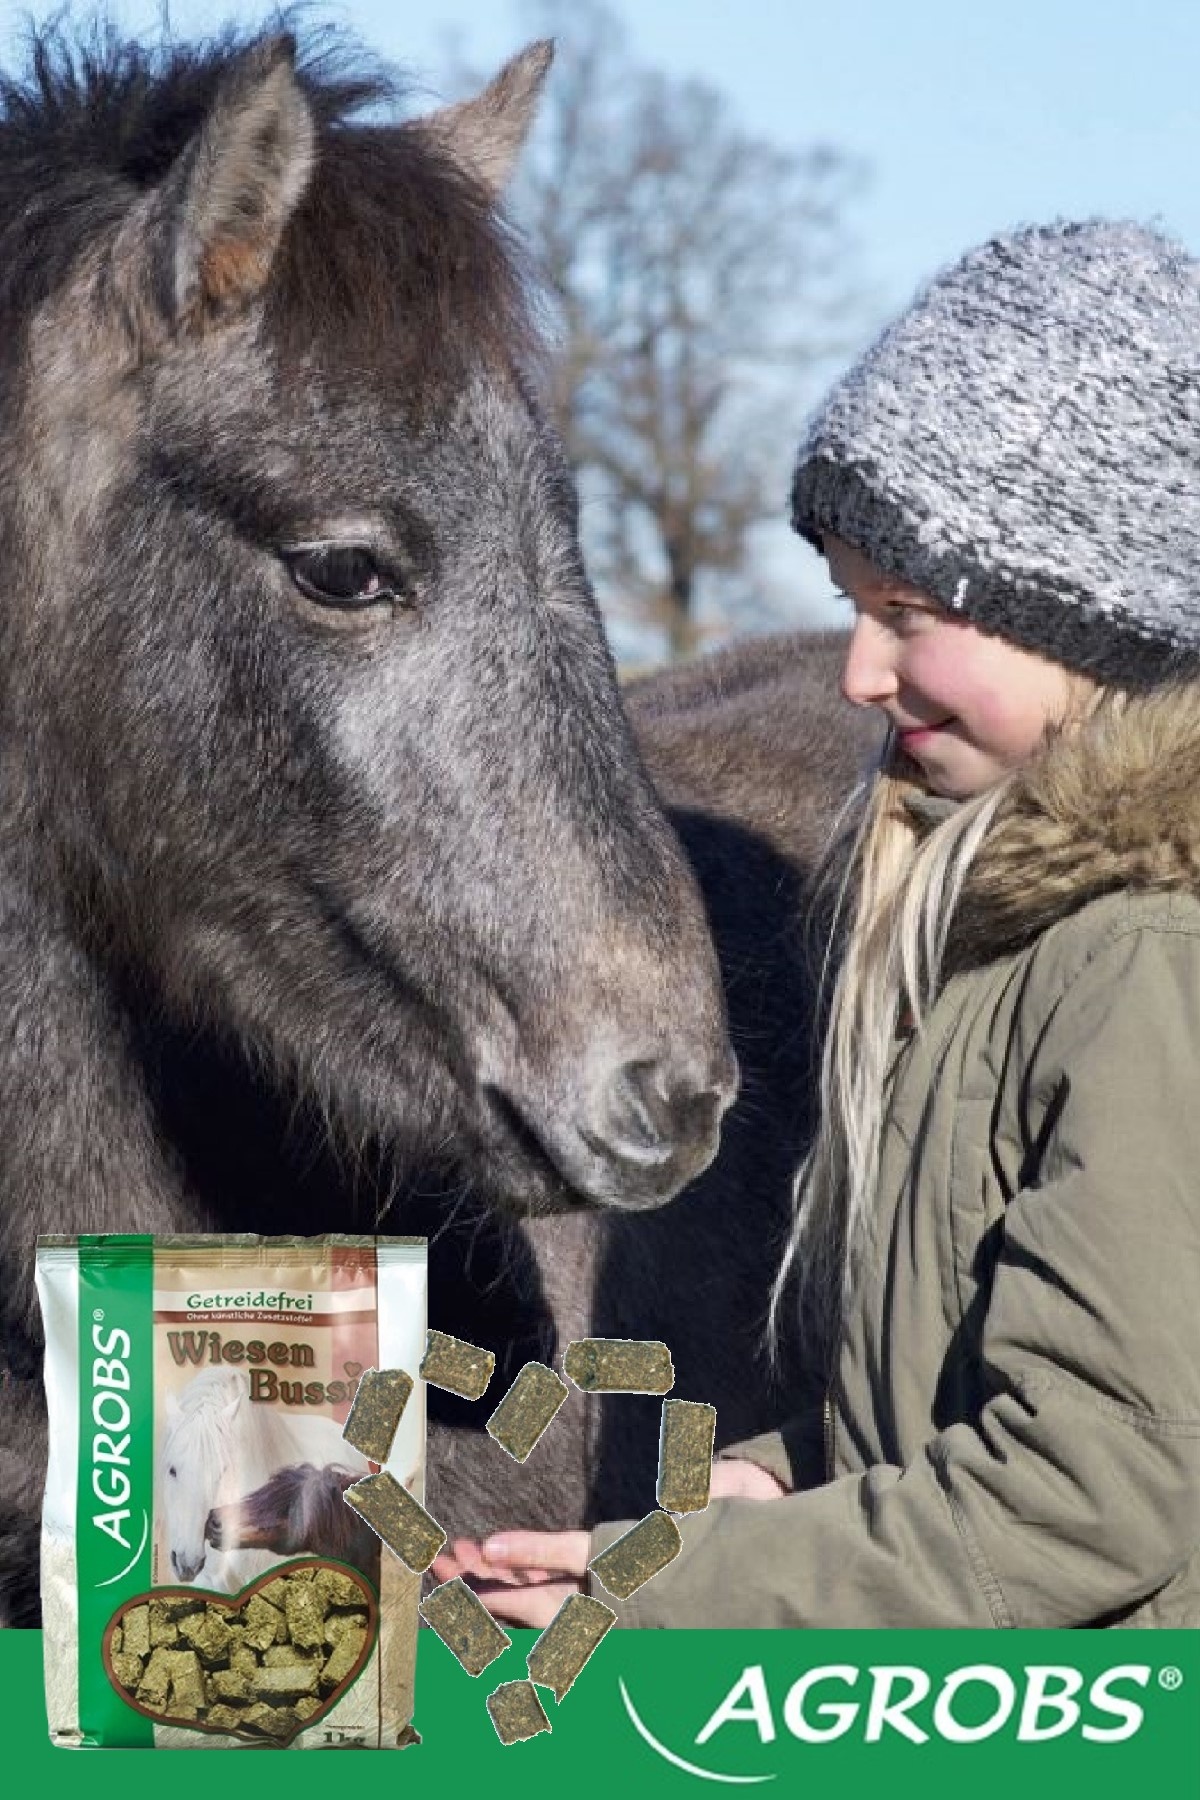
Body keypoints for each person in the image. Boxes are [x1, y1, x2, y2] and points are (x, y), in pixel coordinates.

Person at [434, 220, 1200, 1628]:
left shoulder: (1141, 967)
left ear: (1090, 617)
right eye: (851, 608)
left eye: (907, 612)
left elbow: (1090, 1493)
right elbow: (973, 1393)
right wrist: (781, 1479)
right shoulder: (1007, 943)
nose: (857, 672)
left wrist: (679, 1591)